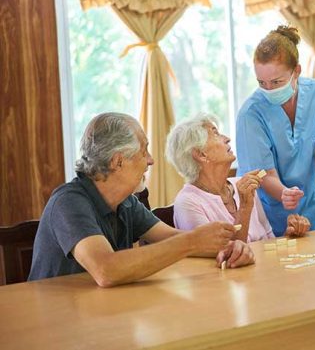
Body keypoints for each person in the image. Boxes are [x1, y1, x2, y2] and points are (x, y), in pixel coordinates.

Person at [29, 112, 255, 287]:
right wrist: (192, 242)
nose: (151, 160)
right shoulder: (68, 203)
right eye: (143, 151)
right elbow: (106, 270)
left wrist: (231, 249)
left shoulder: (126, 202)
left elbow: (175, 238)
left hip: (102, 313)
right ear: (118, 162)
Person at [236, 25, 315, 236]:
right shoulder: (250, 114)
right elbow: (263, 174)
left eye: (276, 82)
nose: (269, 90)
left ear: (296, 71)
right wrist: (283, 193)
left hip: (310, 210)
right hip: (269, 215)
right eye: (261, 82)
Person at [166, 114, 310, 241]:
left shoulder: (240, 185)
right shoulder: (188, 203)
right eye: (215, 134)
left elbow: (267, 241)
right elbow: (224, 256)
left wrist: (290, 235)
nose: (227, 139)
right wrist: (245, 207)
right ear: (201, 154)